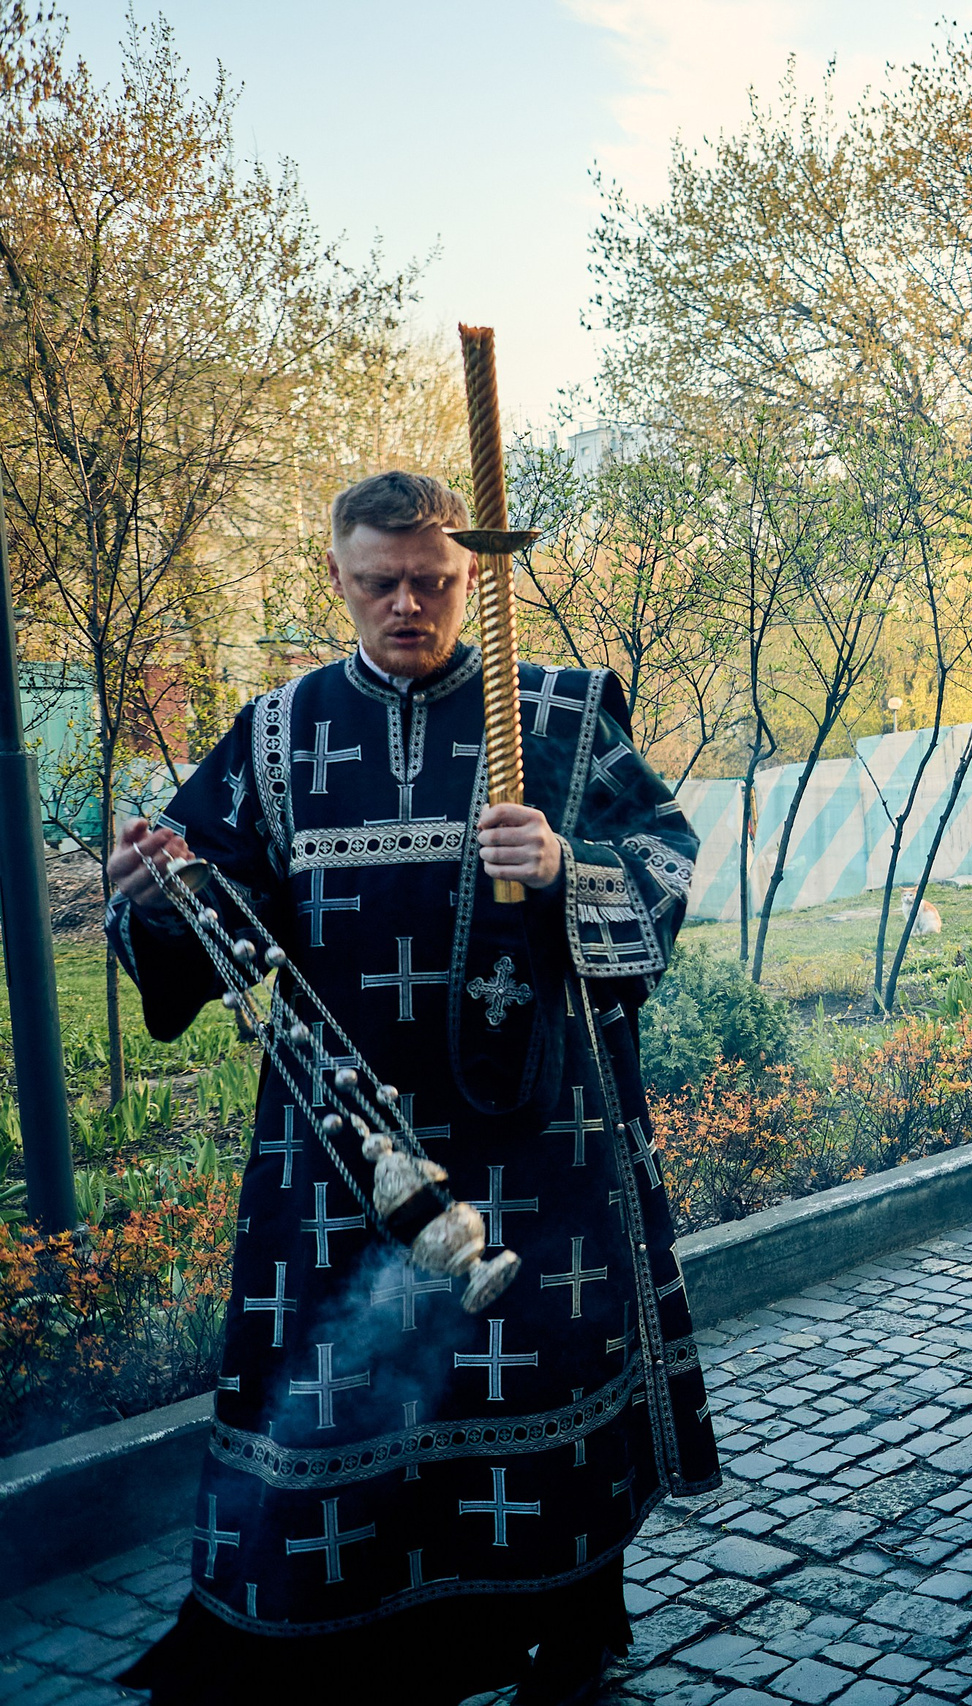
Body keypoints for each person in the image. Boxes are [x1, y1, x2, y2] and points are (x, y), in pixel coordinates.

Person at [103, 471, 718, 1706]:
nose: (405, 604)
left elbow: (664, 860)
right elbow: (213, 916)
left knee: (538, 1373)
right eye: (378, 581)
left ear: (468, 576)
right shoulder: (276, 734)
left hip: (538, 1133)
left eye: (433, 581)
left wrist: (561, 861)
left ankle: (568, 1616)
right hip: (347, 1150)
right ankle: (360, 1637)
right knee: (343, 1397)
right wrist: (150, 888)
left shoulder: (556, 713)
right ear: (334, 576)